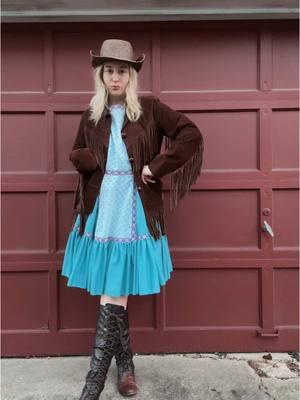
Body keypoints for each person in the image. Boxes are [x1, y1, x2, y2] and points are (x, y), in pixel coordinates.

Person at [61, 39, 204, 399]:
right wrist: (85, 158)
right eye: (109, 70)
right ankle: (125, 366)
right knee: (115, 290)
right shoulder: (92, 114)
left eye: (121, 71)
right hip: (100, 210)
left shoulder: (151, 109)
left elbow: (190, 134)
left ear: (131, 75)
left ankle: (95, 379)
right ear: (101, 75)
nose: (115, 77)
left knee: (114, 292)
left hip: (135, 209)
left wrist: (157, 166)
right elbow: (76, 150)